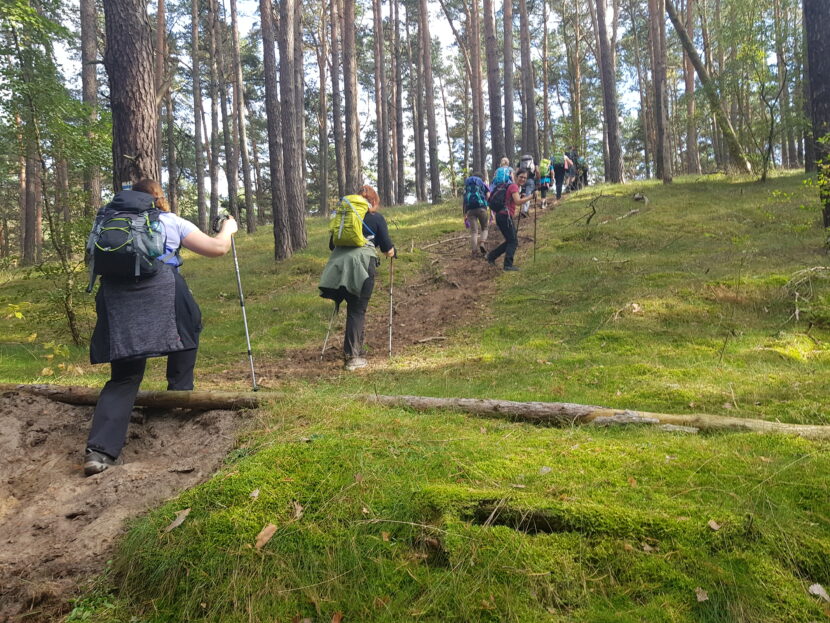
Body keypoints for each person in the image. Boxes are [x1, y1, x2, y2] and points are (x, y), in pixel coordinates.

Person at [84, 179, 237, 476]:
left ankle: (99, 452)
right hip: (163, 290)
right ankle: (178, 398)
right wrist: (228, 229)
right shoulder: (168, 220)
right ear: (157, 198)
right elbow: (217, 249)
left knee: (125, 375)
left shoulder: (105, 222)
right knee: (188, 329)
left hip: (116, 298)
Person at [319, 185, 395, 371]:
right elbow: (387, 248)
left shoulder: (344, 217)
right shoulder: (375, 218)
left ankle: (353, 351)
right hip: (361, 265)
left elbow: (332, 245)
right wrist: (392, 252)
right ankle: (353, 357)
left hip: (336, 268)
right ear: (374, 202)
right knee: (357, 310)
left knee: (350, 307)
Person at [486, 168, 534, 272]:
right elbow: (517, 202)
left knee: (510, 240)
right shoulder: (513, 186)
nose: (523, 179)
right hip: (504, 216)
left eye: (525, 178)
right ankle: (508, 265)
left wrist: (522, 196)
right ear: (516, 176)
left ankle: (491, 256)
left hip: (502, 215)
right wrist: (530, 197)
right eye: (521, 177)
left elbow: (513, 199)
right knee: (513, 241)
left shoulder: (513, 187)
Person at [462, 172, 490, 257]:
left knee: (474, 231)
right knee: (485, 228)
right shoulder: (482, 184)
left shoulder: (467, 185)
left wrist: (464, 214)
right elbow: (488, 195)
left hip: (470, 210)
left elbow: (464, 201)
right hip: (481, 208)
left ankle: (474, 251)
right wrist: (487, 205)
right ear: (481, 178)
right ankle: (482, 243)